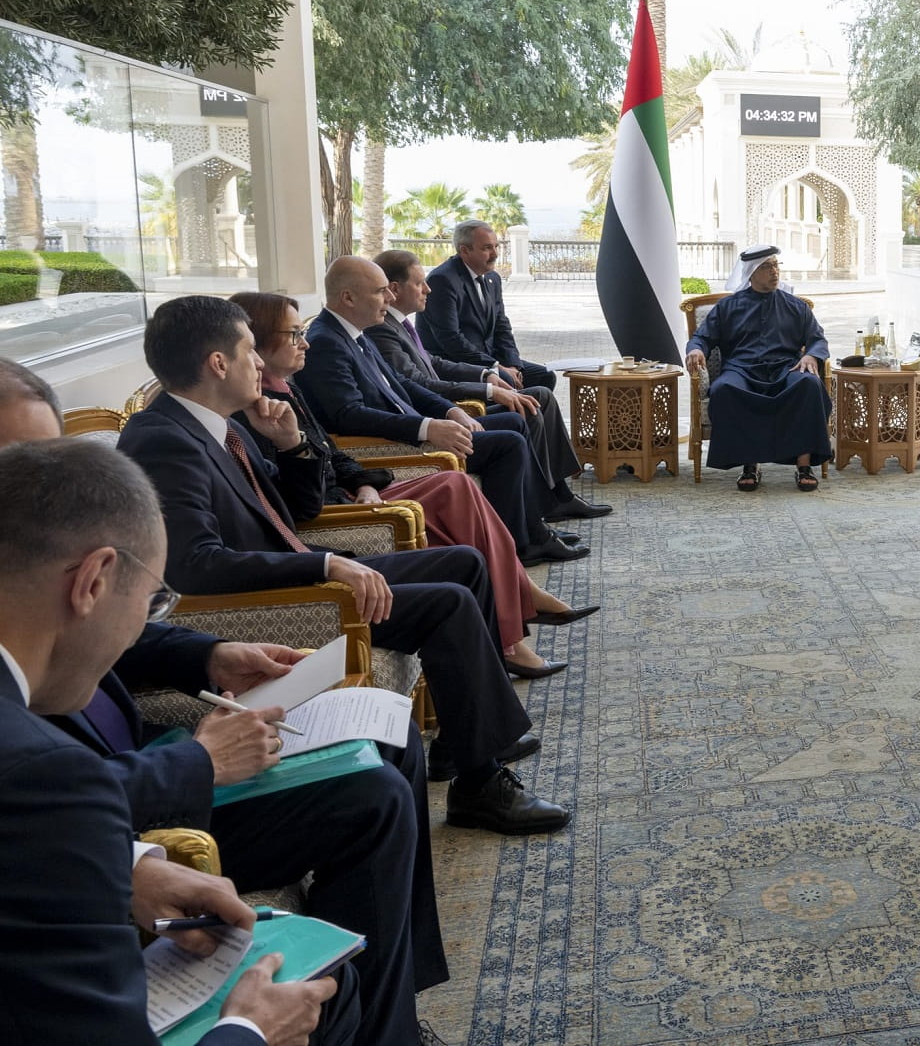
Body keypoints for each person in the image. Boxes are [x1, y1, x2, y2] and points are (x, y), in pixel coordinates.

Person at [0, 356, 445, 1045]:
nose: (35, 489)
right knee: (366, 824)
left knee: (381, 755)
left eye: (44, 459)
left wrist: (205, 654)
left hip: (127, 770)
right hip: (136, 788)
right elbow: (40, 796)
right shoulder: (46, 770)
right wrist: (247, 1031)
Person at [117, 295, 570, 833]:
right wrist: (326, 567)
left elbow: (297, 512)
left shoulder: (223, 425)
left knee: (463, 564)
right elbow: (197, 566)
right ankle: (480, 783)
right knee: (446, 602)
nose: (260, 363)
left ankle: (463, 737)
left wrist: (290, 447)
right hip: (275, 603)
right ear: (219, 363)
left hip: (297, 567)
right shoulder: (163, 440)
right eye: (248, 352)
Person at [232, 291, 594, 679]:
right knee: (459, 484)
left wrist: (363, 480)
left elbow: (334, 446)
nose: (302, 341)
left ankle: (521, 594)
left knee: (456, 484)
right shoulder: (263, 402)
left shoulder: (285, 386)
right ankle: (511, 629)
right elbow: (336, 433)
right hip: (334, 507)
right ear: (257, 342)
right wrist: (410, 440)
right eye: (292, 335)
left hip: (354, 489)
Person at [296, 256, 587, 567]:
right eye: (381, 291)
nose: (390, 297)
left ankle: (531, 528)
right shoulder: (326, 342)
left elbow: (404, 384)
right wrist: (427, 428)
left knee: (515, 422)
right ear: (348, 298)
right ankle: (521, 543)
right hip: (392, 442)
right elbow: (349, 415)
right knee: (507, 444)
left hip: (412, 427)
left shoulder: (355, 333)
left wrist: (449, 412)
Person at [366, 250, 608, 522]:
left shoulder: (399, 324)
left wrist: (486, 373)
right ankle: (545, 505)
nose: (428, 289)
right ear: (396, 289)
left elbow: (434, 361)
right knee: (528, 407)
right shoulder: (381, 328)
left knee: (539, 393)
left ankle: (558, 494)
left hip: (450, 400)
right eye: (419, 283)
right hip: (438, 415)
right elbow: (422, 380)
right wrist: (487, 389)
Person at [686, 244, 833, 492]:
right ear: (751, 272)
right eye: (766, 267)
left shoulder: (796, 306)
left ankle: (804, 465)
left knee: (809, 384)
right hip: (742, 371)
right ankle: (749, 465)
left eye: (776, 265)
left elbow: (818, 339)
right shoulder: (727, 307)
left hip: (785, 370)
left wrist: (812, 356)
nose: (774, 272)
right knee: (723, 390)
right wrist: (696, 349)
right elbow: (702, 337)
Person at [419, 220, 556, 389]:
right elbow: (451, 339)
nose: (495, 254)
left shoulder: (492, 278)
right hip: (458, 365)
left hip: (489, 358)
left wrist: (513, 364)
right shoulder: (442, 280)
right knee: (509, 379)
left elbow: (501, 325)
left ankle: (526, 413)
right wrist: (496, 367)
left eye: (496, 246)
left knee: (544, 376)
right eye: (487, 248)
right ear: (464, 250)